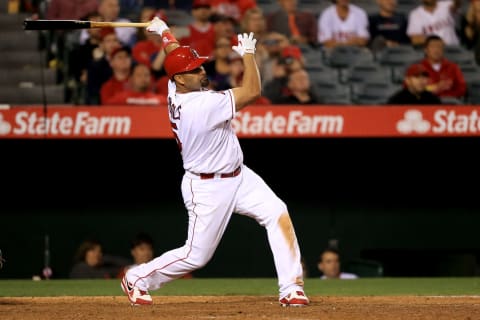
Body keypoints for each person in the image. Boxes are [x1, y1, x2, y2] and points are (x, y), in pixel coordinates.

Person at [120, 16, 309, 307]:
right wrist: (248, 56)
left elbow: (174, 55)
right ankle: (137, 278)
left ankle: (291, 287)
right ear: (181, 79)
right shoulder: (200, 105)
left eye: (199, 65)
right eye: (194, 69)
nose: (201, 70)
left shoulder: (176, 86)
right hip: (206, 186)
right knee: (197, 255)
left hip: (239, 176)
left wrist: (164, 33)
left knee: (277, 212)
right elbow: (252, 92)